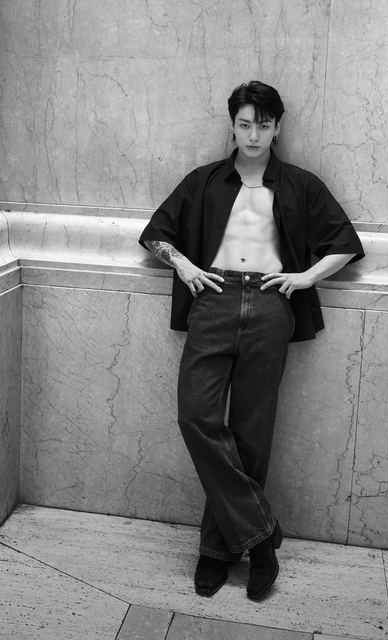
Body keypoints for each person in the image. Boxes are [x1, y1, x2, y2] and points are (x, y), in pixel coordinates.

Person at [139, 80, 364, 599]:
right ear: (233, 126)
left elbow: (346, 243)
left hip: (269, 303)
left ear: (277, 127)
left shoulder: (300, 184)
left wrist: (306, 278)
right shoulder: (204, 181)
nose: (254, 134)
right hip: (214, 299)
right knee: (195, 415)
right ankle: (262, 537)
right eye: (245, 124)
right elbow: (156, 233)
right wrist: (185, 266)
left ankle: (216, 551)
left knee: (251, 431)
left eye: (263, 125)